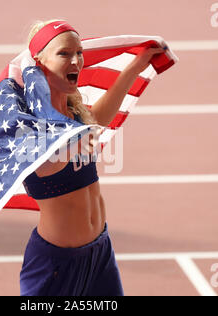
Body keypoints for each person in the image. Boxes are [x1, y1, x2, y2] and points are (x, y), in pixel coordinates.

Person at [20, 19, 165, 296]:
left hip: (100, 252)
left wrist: (136, 65)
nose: (75, 61)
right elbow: (57, 153)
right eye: (64, 54)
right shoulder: (30, 123)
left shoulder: (75, 115)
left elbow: (98, 120)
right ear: (39, 62)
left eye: (79, 53)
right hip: (56, 265)